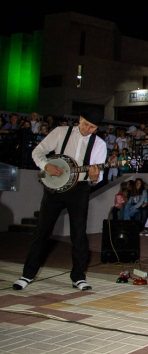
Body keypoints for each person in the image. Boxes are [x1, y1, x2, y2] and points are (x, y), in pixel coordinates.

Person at [13, 109, 107, 291]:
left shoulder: (99, 144)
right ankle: (27, 275)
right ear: (80, 119)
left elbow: (98, 174)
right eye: (86, 124)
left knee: (78, 234)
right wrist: (46, 165)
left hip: (79, 189)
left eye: (92, 127)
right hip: (54, 187)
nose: (87, 129)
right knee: (42, 230)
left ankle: (78, 277)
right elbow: (38, 152)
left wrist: (95, 178)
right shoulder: (60, 132)